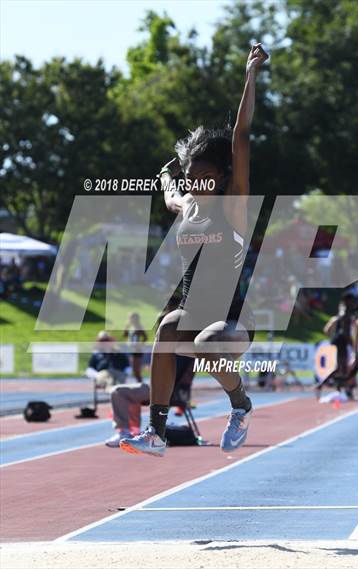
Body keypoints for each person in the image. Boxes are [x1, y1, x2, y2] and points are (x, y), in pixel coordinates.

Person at [120, 43, 268, 458]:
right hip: (194, 312)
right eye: (192, 177)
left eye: (206, 176)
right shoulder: (186, 203)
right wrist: (167, 176)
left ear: (220, 177)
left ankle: (240, 405)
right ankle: (156, 433)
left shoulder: (232, 206)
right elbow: (170, 194)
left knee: (206, 341)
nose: (198, 183)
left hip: (233, 319)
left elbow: (240, 135)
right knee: (167, 328)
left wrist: (250, 75)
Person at [123, 312, 148, 382]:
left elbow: (145, 338)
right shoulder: (131, 327)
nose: (130, 319)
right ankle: (139, 383)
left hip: (137, 350)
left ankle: (141, 385)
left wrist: (139, 344)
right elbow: (125, 335)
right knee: (134, 370)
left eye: (131, 318)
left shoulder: (139, 327)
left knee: (136, 370)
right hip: (132, 350)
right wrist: (126, 327)